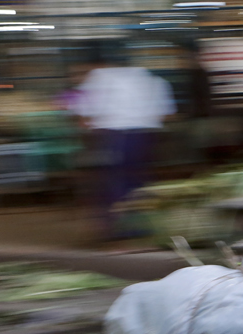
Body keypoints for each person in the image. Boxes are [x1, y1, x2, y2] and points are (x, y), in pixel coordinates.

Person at [71, 44, 175, 238]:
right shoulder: (151, 79)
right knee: (138, 181)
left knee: (113, 183)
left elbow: (84, 113)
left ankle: (117, 229)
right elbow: (166, 114)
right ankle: (141, 226)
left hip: (113, 136)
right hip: (145, 137)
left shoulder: (99, 77)